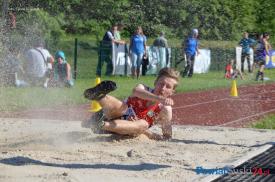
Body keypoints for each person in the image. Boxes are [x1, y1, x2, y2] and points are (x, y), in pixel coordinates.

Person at [82, 67, 180, 140]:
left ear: (172, 92)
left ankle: (99, 124)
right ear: (155, 83)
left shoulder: (165, 109)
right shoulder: (143, 88)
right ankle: (98, 96)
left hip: (118, 128)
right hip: (109, 113)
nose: (163, 88)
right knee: (123, 107)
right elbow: (136, 91)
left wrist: (145, 132)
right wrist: (159, 98)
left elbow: (167, 137)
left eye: (168, 86)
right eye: (161, 83)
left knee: (143, 124)